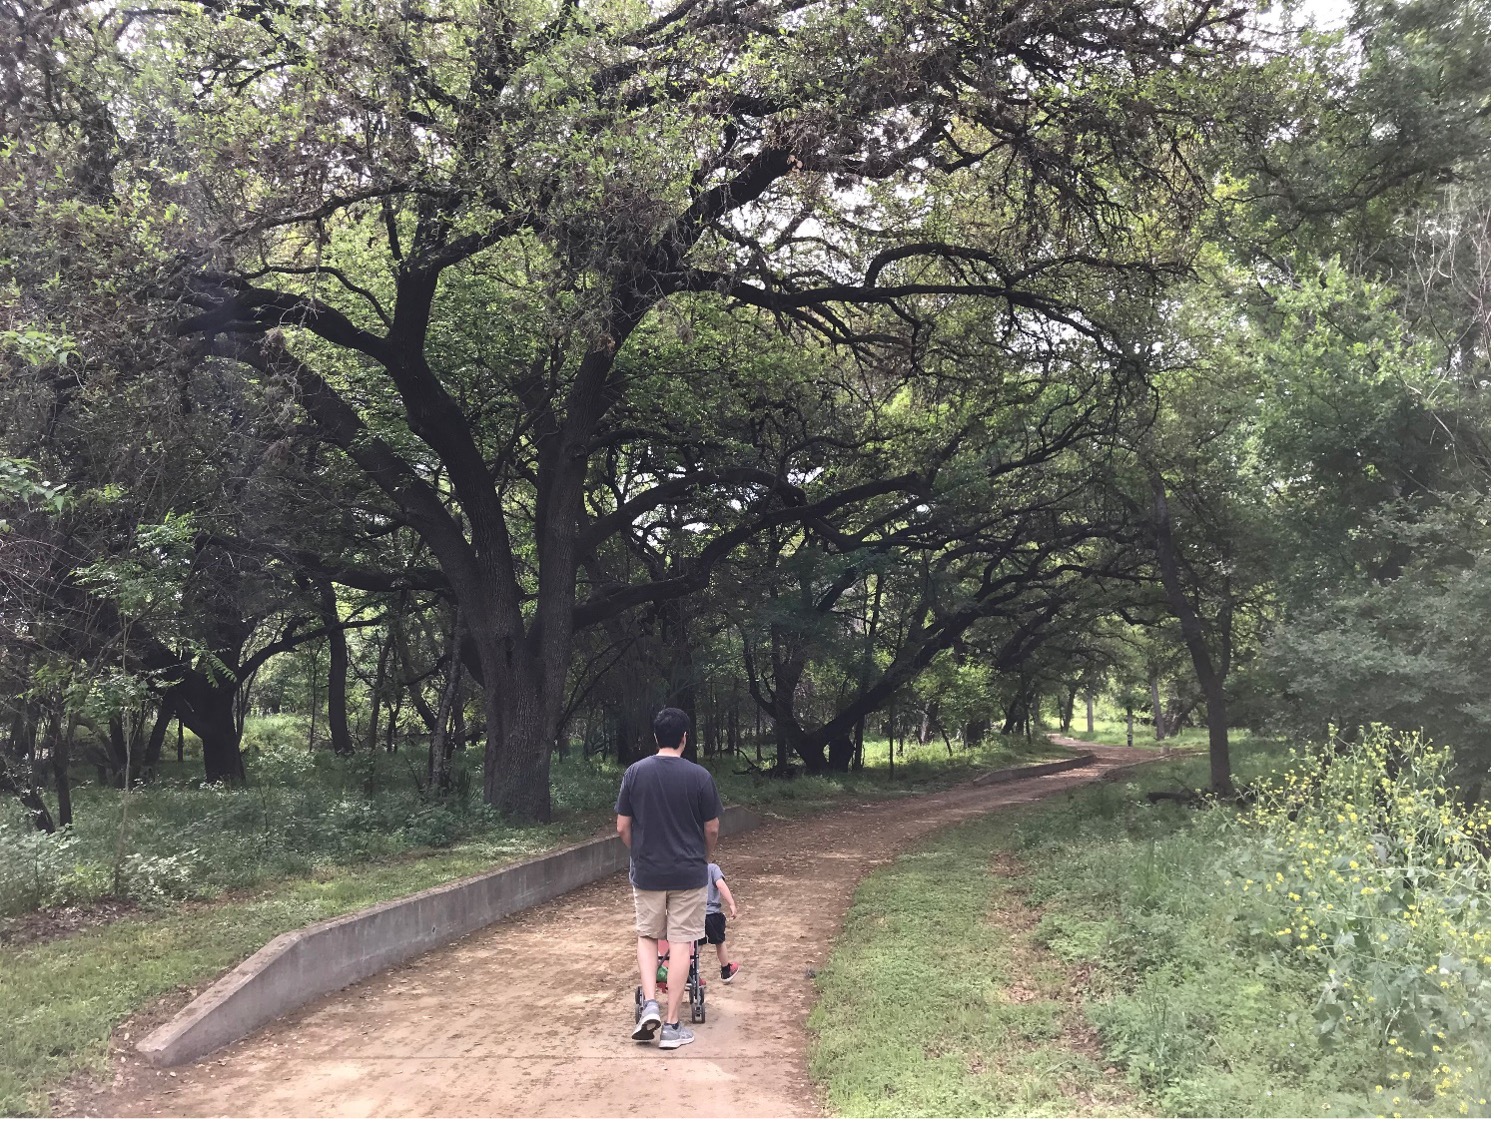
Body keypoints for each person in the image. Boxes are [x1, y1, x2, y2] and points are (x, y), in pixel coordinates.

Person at [615, 707, 723, 1050]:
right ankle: (673, 1025)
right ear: (684, 739)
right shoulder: (700, 777)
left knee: (648, 935)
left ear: (656, 737)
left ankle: (650, 1004)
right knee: (681, 943)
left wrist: (639, 852)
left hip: (647, 871)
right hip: (689, 873)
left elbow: (622, 826)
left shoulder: (635, 773)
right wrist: (704, 856)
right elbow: (713, 827)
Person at [700, 860, 741, 982]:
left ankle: (690, 973)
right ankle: (726, 970)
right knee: (720, 942)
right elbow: (720, 884)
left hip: (696, 915)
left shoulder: (690, 869)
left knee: (698, 944)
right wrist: (731, 903)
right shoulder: (712, 868)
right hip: (712, 914)